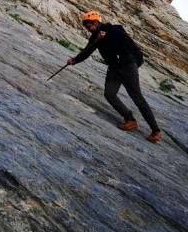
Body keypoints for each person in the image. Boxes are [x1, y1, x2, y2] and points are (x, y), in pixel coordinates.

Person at [66, 11, 162, 143]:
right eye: (85, 27)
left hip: (127, 66)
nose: (87, 29)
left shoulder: (113, 29)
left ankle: (155, 130)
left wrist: (135, 62)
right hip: (114, 68)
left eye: (88, 26)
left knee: (137, 97)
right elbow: (88, 50)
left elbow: (129, 44)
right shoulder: (95, 36)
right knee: (109, 93)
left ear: (95, 22)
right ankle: (130, 119)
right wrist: (74, 60)